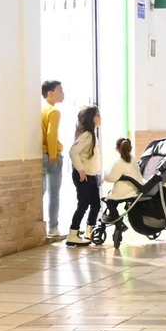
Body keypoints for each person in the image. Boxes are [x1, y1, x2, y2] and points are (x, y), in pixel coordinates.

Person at [66, 105, 101, 247]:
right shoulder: (88, 135)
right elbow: (73, 151)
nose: (100, 119)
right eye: (98, 116)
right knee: (83, 205)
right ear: (92, 119)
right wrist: (80, 170)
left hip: (91, 176)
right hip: (84, 176)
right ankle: (73, 234)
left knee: (96, 204)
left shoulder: (91, 135)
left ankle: (90, 231)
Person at [104, 138, 144, 248]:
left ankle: (119, 224)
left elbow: (111, 177)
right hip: (135, 191)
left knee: (110, 201)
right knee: (113, 199)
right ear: (130, 148)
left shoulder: (119, 162)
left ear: (117, 149)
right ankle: (119, 224)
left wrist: (104, 174)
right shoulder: (133, 159)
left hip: (123, 192)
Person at [41, 80, 66, 240]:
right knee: (53, 193)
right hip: (51, 155)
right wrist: (53, 156)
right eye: (60, 90)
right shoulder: (54, 112)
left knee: (41, 191)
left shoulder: (40, 109)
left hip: (39, 155)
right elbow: (51, 135)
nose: (63, 93)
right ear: (50, 93)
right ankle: (53, 227)